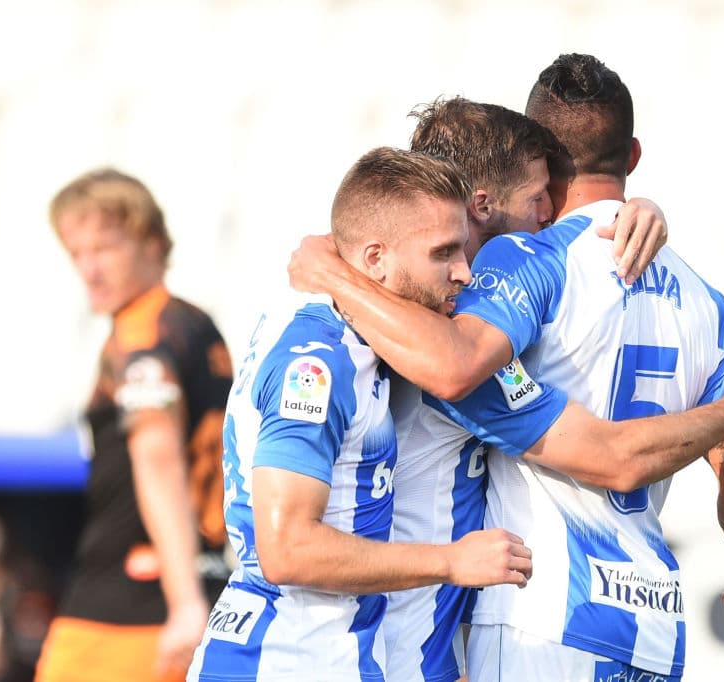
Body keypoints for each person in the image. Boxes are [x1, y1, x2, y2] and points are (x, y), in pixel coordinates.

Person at [287, 60, 724, 681]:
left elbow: (455, 359)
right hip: (650, 629)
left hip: (540, 624)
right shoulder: (708, 303)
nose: (545, 210)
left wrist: (330, 268)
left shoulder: (517, 270)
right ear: (631, 155)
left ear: (546, 156)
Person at [186, 147, 534, 682]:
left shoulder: (352, 336)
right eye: (444, 253)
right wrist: (449, 561)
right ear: (374, 259)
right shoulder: (318, 361)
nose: (464, 273)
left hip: (328, 653)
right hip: (283, 658)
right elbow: (287, 548)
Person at [35, 168, 233, 682]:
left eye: (103, 248)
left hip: (130, 608)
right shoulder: (196, 324)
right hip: (206, 583)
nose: (88, 269)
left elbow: (158, 457)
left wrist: (183, 600)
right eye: (76, 253)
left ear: (151, 243)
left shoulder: (142, 333)